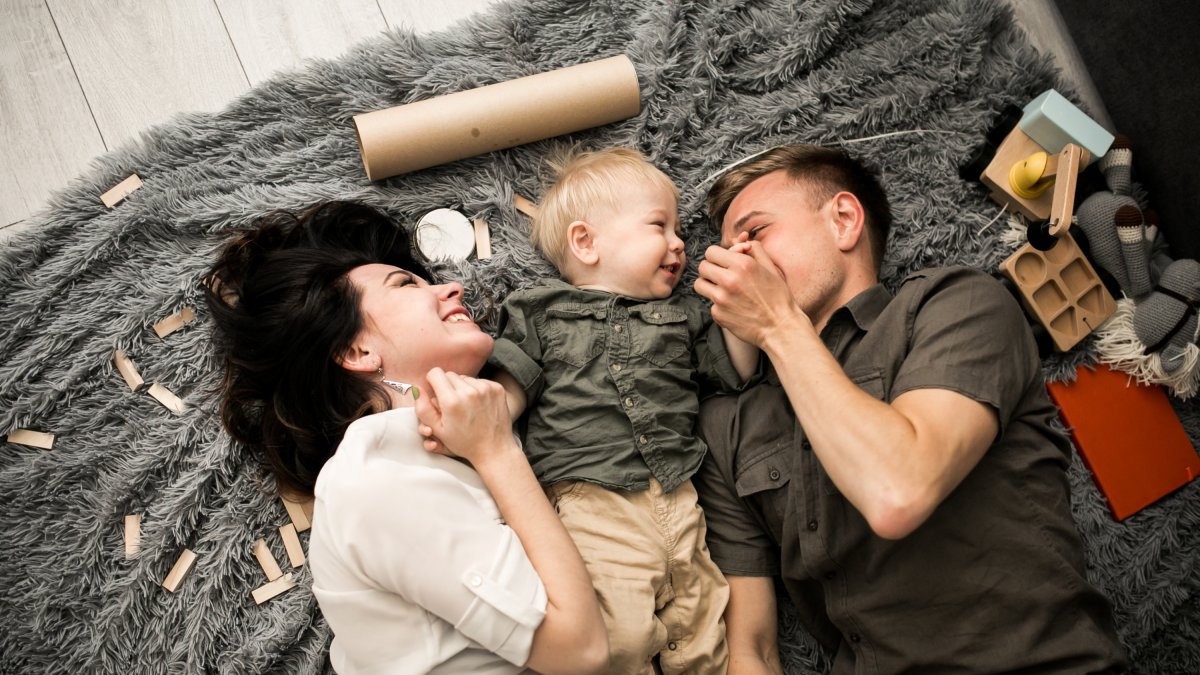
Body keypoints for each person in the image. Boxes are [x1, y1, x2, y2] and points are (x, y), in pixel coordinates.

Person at [691, 144, 1129, 673]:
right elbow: (752, 649)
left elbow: (898, 492)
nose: (737, 264)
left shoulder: (959, 304)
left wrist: (778, 326)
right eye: (725, 253)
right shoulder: (727, 427)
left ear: (845, 220)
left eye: (754, 234)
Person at [204, 201, 608, 675]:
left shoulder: (452, 445)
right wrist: (496, 450)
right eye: (406, 283)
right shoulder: (374, 486)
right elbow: (581, 652)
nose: (452, 288)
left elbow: (520, 375)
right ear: (358, 350)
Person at [487, 148, 759, 674]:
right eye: (660, 225)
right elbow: (513, 381)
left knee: (702, 630)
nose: (679, 242)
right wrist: (490, 415)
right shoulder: (541, 309)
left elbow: (736, 372)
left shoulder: (685, 317)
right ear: (586, 242)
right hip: (592, 500)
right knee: (619, 635)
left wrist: (737, 300)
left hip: (680, 498)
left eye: (679, 228)